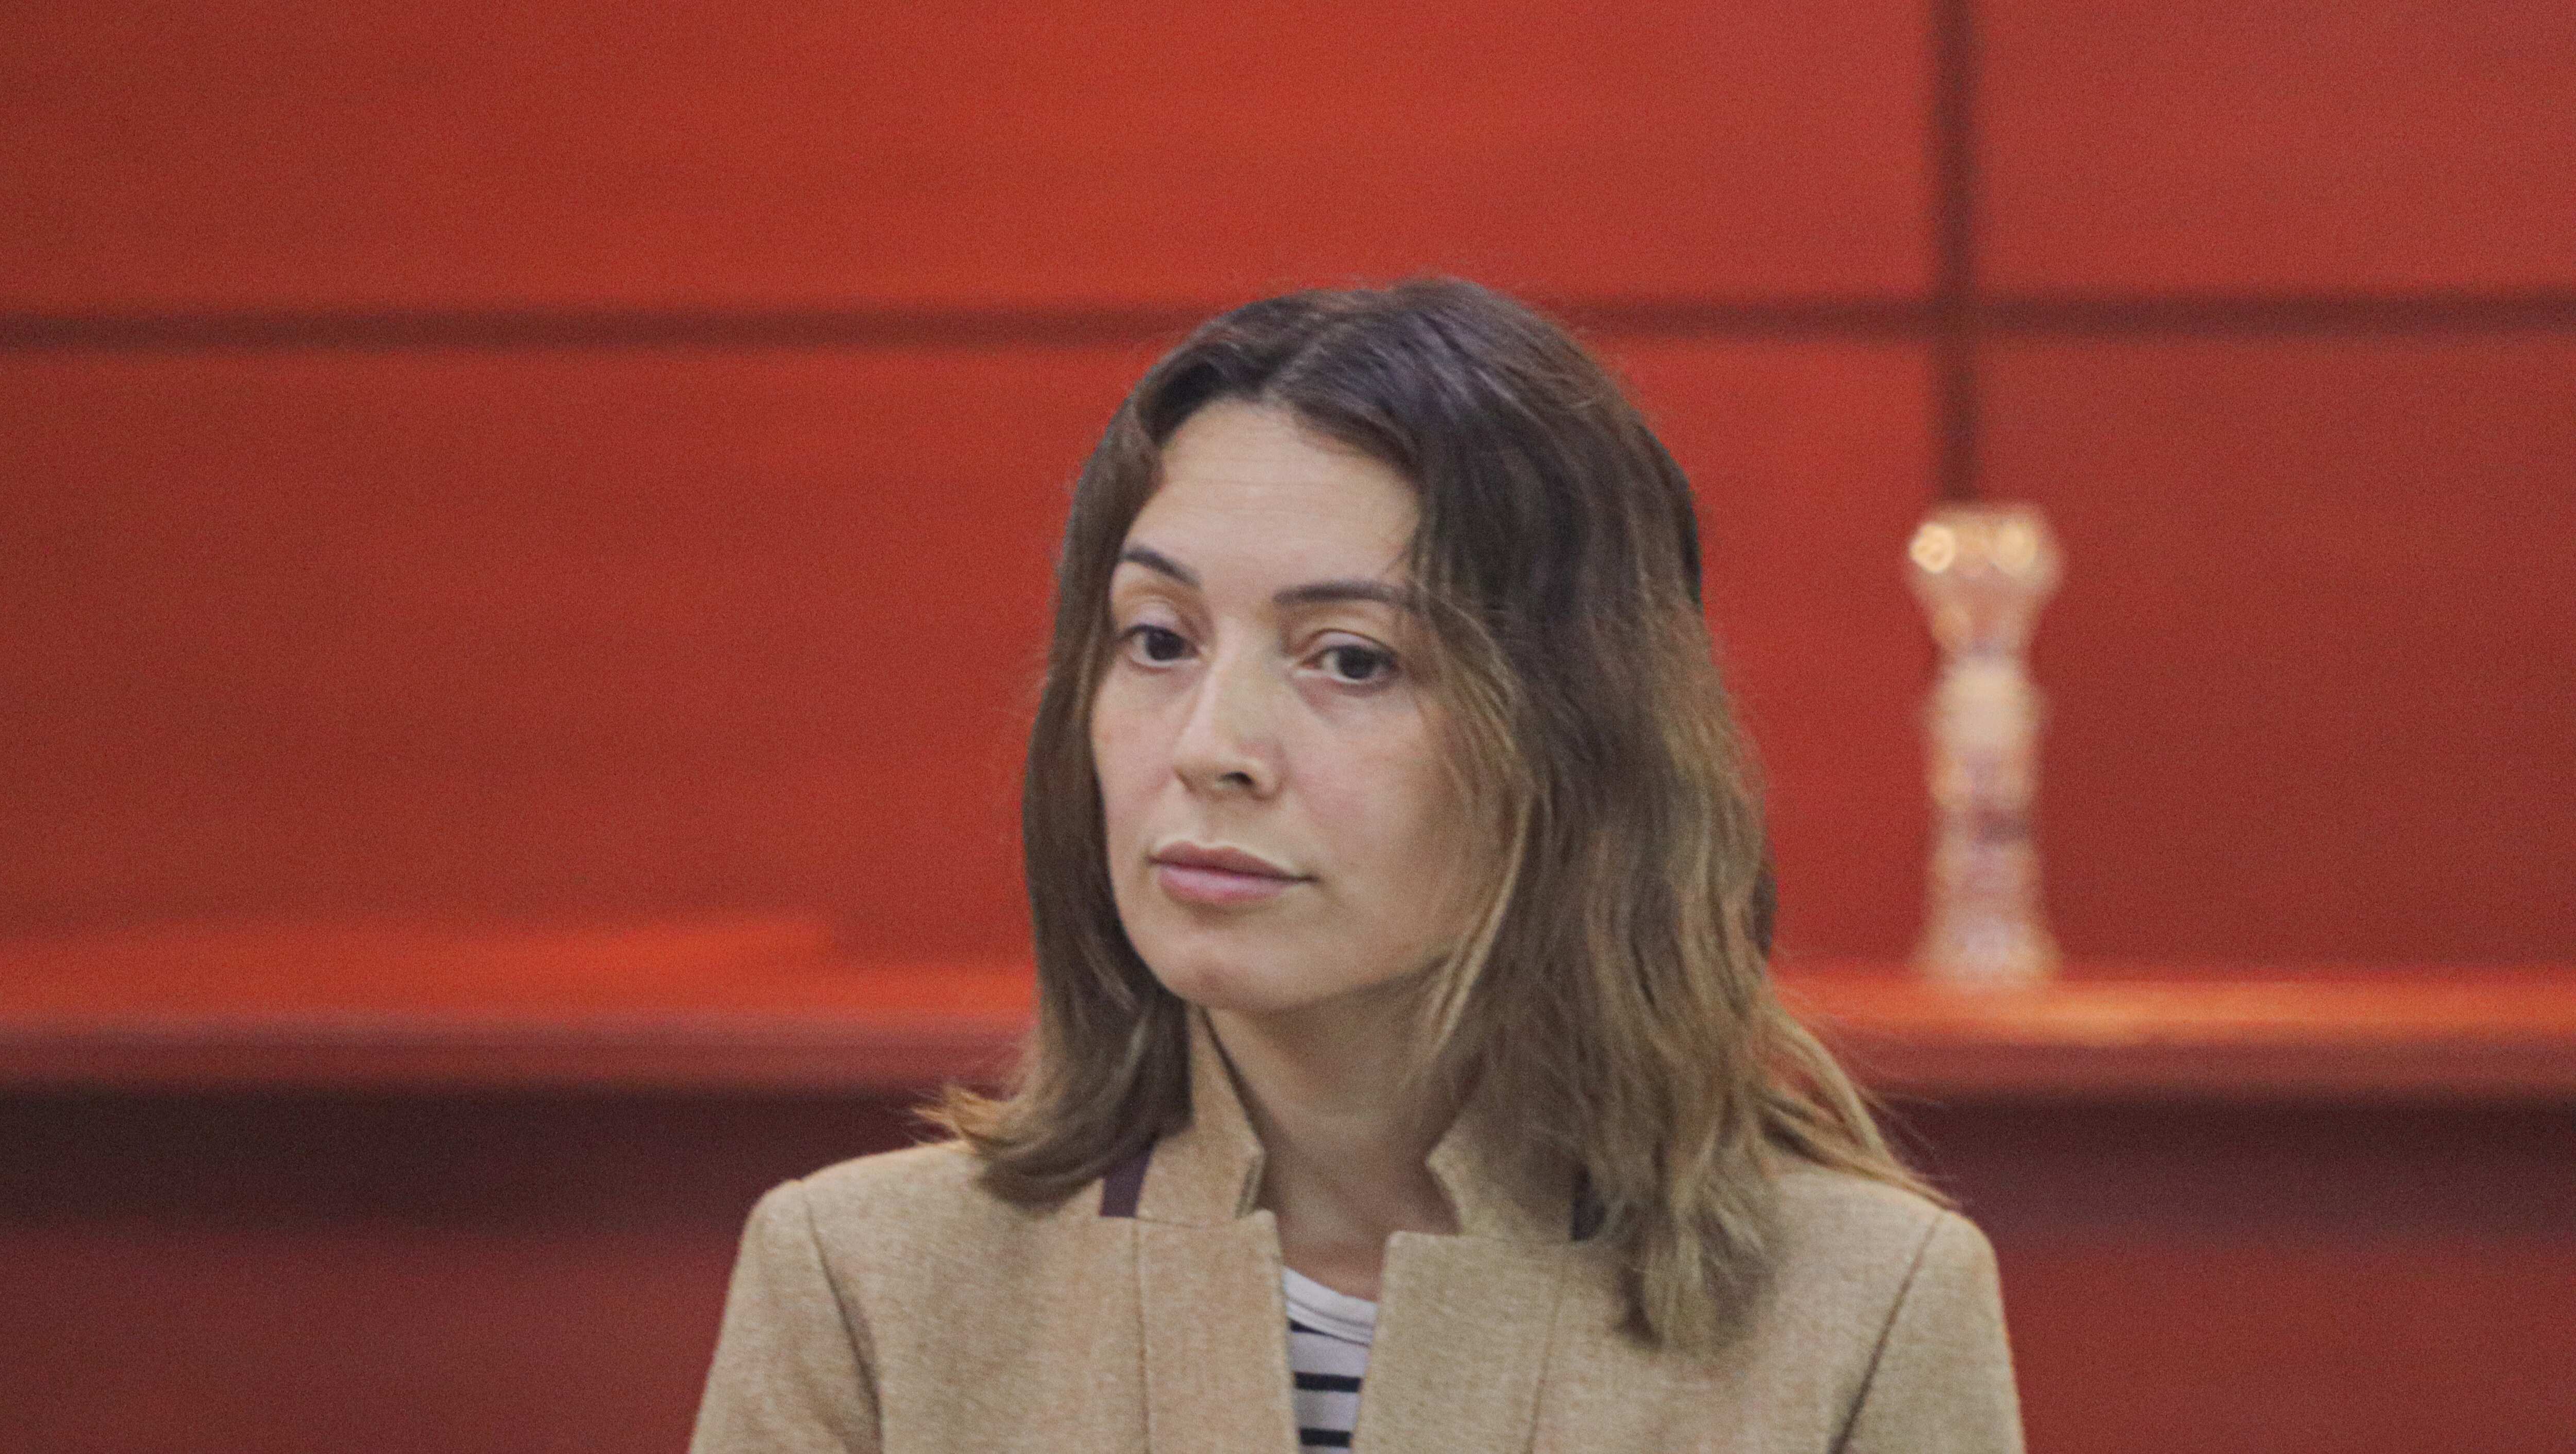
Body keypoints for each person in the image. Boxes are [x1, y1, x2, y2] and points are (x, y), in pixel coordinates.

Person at [689, 280, 2023, 1453]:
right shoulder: (867, 1285)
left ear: (1574, 745)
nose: (1213, 748)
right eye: (1157, 640)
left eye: (1353, 659)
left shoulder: (1864, 1309)